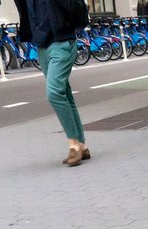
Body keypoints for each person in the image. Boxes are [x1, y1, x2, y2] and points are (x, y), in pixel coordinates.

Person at [12, 0, 91, 166]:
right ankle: (82, 145)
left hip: (62, 42)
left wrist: (71, 27)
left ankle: (73, 145)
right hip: (41, 45)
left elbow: (76, 6)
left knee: (54, 93)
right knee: (65, 93)